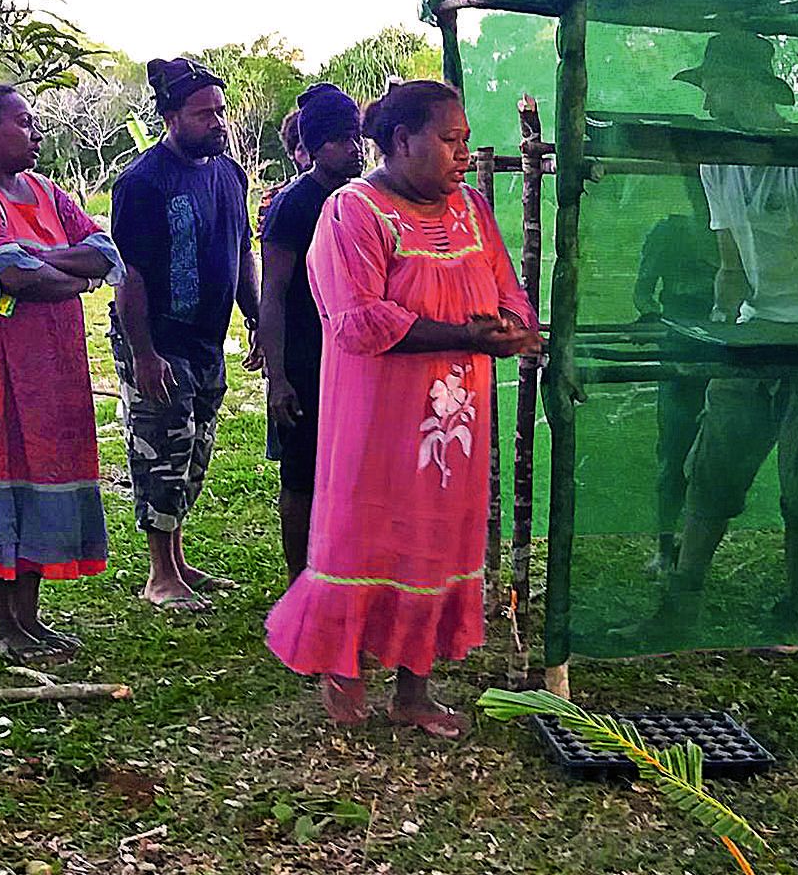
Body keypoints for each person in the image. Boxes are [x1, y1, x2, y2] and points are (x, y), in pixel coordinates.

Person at [265, 80, 540, 736]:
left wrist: (509, 328)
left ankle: (414, 691)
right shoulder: (350, 212)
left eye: (466, 141)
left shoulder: (471, 209)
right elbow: (357, 321)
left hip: (455, 426)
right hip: (377, 421)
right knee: (364, 537)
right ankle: (343, 664)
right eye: (449, 141)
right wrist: (462, 334)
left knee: (438, 543)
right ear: (399, 141)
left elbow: (508, 291)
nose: (461, 155)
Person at [643, 32, 798, 638]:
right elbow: (731, 263)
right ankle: (682, 599)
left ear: (745, 87)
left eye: (713, 86)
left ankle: (794, 607)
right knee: (713, 463)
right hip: (753, 329)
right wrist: (719, 329)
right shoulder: (716, 158)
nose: (707, 102)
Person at [0, 84, 123, 662]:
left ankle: (28, 616)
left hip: (53, 364)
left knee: (43, 471)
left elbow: (105, 254)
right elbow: (10, 275)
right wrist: (69, 274)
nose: (35, 134)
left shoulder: (43, 190)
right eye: (24, 123)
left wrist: (48, 265)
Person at [110, 57, 259, 610]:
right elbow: (131, 273)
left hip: (207, 339)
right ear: (170, 116)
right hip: (157, 341)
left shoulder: (229, 173)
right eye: (203, 114)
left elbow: (241, 250)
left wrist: (256, 317)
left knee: (194, 451)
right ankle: (159, 575)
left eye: (220, 112)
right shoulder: (142, 182)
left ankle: (178, 560)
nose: (217, 123)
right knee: (160, 451)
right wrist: (144, 354)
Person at [259, 83, 365, 582]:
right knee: (300, 474)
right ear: (317, 146)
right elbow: (273, 293)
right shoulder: (294, 205)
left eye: (358, 137)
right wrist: (277, 377)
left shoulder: (363, 199)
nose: (356, 148)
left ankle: (340, 570)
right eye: (343, 139)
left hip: (353, 357)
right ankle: (299, 580)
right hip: (304, 359)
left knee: (349, 470)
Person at [631, 184, 719, 576]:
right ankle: (666, 549)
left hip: (728, 356)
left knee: (716, 462)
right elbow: (643, 293)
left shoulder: (737, 231)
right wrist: (657, 320)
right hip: (679, 355)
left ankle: (695, 548)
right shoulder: (669, 234)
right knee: (672, 457)